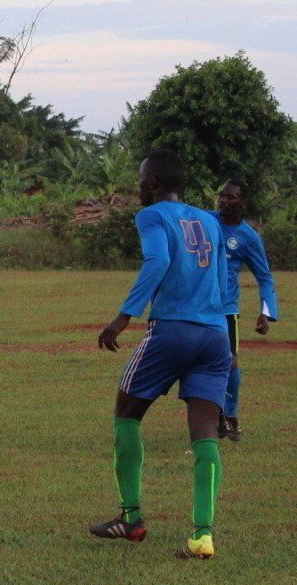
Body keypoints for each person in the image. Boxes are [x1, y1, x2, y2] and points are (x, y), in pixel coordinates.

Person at [92, 150, 232, 560]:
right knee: (205, 433)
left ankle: (131, 518)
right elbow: (223, 278)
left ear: (151, 182)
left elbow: (158, 260)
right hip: (215, 335)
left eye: (140, 178)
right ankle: (202, 535)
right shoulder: (209, 220)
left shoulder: (152, 216)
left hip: (173, 330)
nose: (137, 186)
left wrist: (122, 319)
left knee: (126, 412)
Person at [215, 180, 278, 441]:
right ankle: (209, 415)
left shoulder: (248, 237)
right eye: (221, 196)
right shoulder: (206, 221)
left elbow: (264, 276)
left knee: (230, 362)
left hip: (227, 310)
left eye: (230, 197)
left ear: (242, 202)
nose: (223, 201)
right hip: (196, 306)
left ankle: (230, 416)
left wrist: (266, 311)